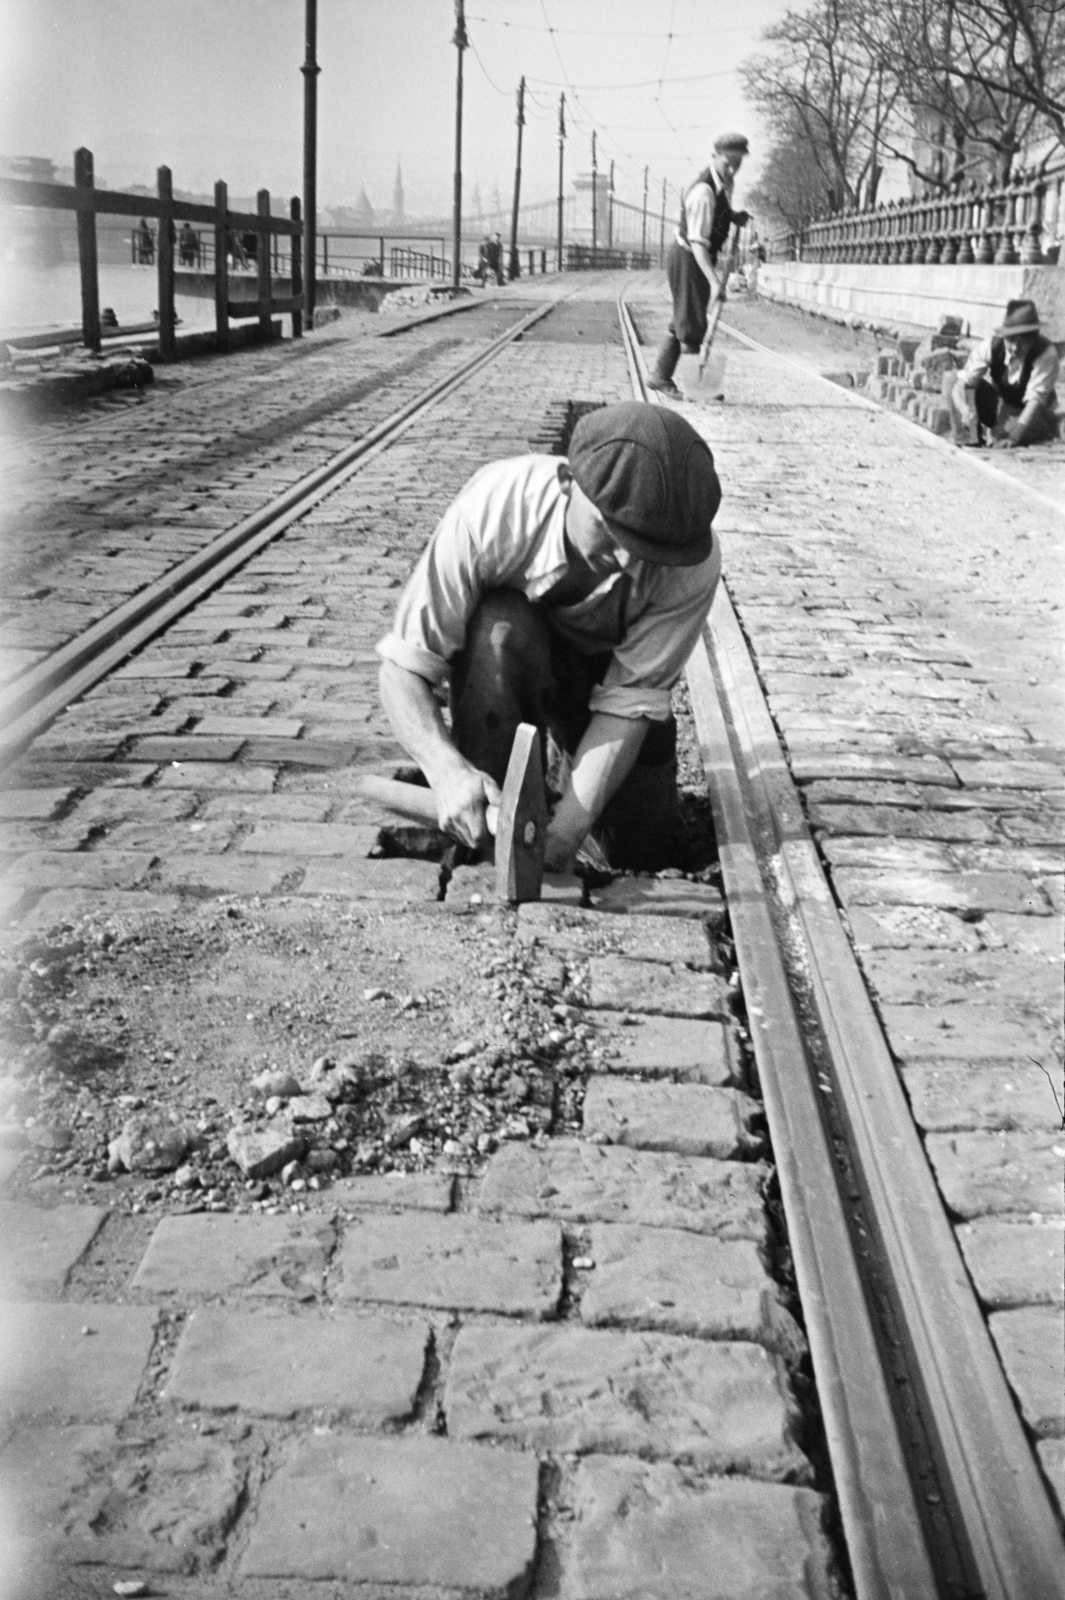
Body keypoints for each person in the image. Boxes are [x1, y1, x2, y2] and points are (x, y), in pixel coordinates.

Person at [376, 402, 722, 872]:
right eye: (610, 531)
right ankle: (484, 822)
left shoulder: (689, 565)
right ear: (567, 484)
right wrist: (445, 770)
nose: (626, 562)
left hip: (606, 686)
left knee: (640, 848)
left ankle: (564, 778)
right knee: (500, 628)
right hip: (510, 666)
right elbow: (404, 668)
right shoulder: (497, 509)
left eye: (648, 550)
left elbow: (629, 702)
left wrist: (564, 833)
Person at [647, 133, 751, 398]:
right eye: (727, 163)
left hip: (697, 257)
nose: (732, 169)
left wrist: (734, 216)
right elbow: (697, 243)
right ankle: (699, 388)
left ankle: (659, 375)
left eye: (737, 164)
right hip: (688, 256)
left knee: (687, 317)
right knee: (692, 325)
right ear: (714, 156)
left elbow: (719, 215)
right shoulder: (703, 192)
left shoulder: (723, 185)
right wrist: (716, 282)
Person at [947, 298, 1060, 448]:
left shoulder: (1045, 353)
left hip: (1033, 415)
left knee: (1001, 438)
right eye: (1011, 340)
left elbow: (1035, 401)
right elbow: (962, 384)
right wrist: (964, 409)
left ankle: (1007, 433)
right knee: (952, 379)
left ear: (1033, 339)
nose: (1015, 347)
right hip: (1004, 405)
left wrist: (1014, 437)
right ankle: (969, 438)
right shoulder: (990, 347)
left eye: (1022, 342)